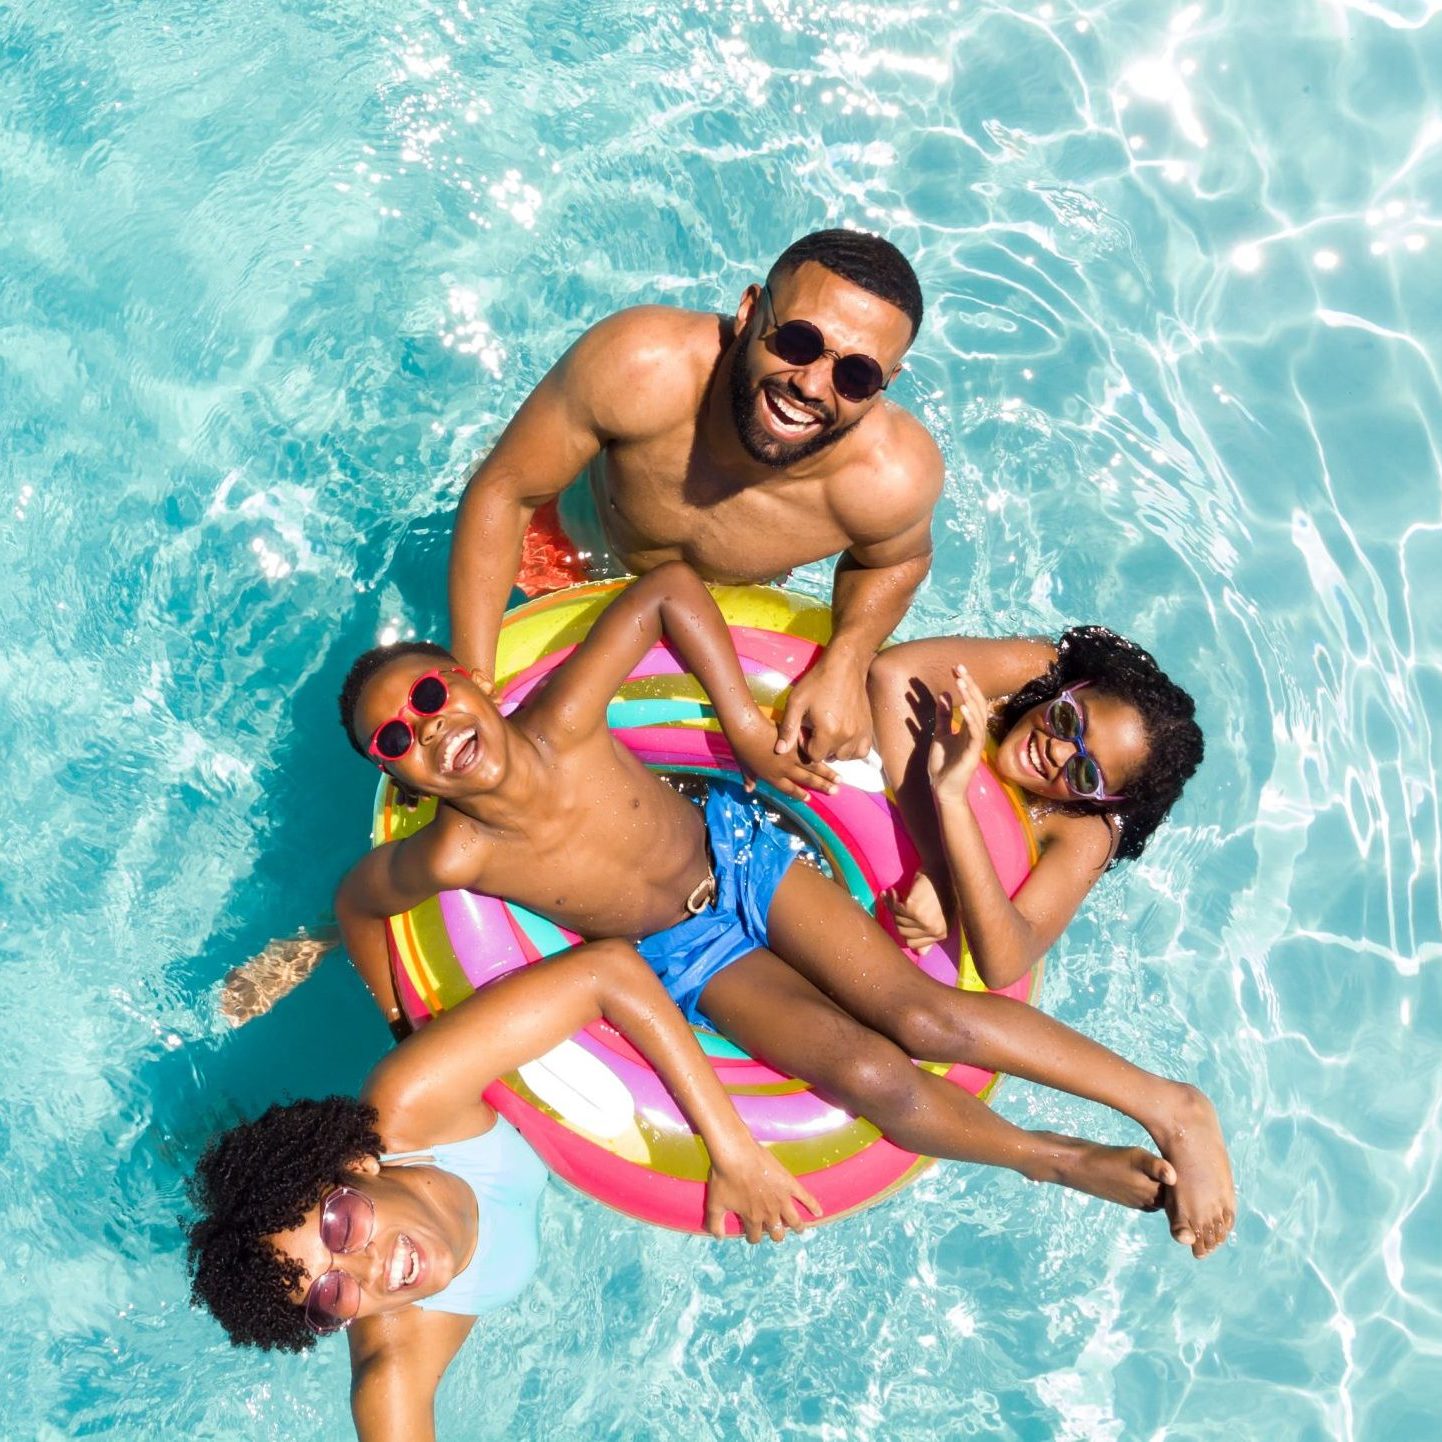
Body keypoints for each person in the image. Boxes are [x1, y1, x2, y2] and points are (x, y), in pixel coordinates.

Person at [336, 562, 1234, 1257]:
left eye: (429, 697)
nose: (429, 730)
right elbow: (358, 902)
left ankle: (1170, 1105)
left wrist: (746, 733)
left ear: (473, 681)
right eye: (396, 739)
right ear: (392, 773)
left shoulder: (564, 716)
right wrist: (397, 1017)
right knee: (873, 1079)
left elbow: (668, 590)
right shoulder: (454, 856)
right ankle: (1056, 1158)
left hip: (743, 855)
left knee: (923, 1016)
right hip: (685, 954)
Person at [188, 941, 822, 1442]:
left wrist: (732, 1147)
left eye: (343, 1226)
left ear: (357, 1166)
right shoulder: (396, 1365)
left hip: (466, 1050)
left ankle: (328, 931)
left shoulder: (410, 1106)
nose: (369, 1268)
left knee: (402, 993)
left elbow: (608, 970)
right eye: (330, 1294)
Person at [448, 228, 944, 762]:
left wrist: (845, 661)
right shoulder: (642, 365)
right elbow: (507, 491)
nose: (813, 386)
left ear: (888, 381)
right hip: (562, 562)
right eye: (798, 341)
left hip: (715, 615)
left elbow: (897, 562)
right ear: (749, 310)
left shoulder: (891, 477)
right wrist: (470, 682)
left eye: (857, 375)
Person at [867, 627, 1204, 989]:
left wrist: (954, 805)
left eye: (1086, 774)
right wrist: (937, 865)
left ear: (1103, 800)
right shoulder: (1033, 670)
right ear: (1072, 689)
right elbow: (893, 674)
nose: (1057, 752)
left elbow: (1006, 962)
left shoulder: (1088, 829)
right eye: (1068, 720)